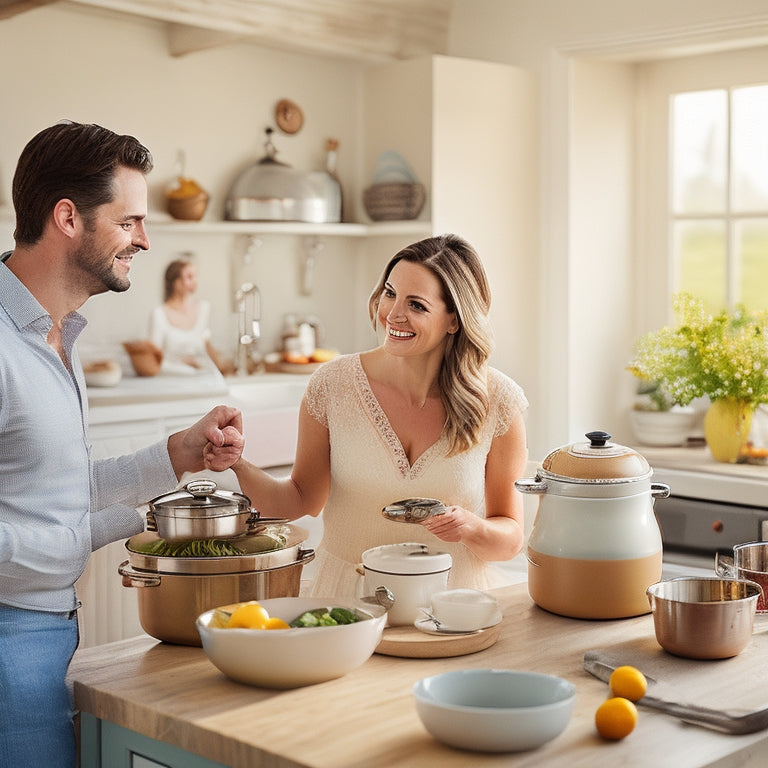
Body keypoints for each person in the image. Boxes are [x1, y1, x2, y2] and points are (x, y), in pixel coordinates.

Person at [0, 121, 245, 768]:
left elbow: (51, 487)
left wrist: (177, 455)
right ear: (67, 218)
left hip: (49, 630)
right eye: (130, 219)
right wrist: (99, 530)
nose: (145, 238)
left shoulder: (56, 335)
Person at [220, 234, 529, 597]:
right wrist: (238, 463)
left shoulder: (498, 400)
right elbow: (300, 498)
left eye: (416, 305)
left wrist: (472, 528)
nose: (393, 314)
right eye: (389, 292)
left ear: (454, 321)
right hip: (348, 600)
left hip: (454, 604)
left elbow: (509, 537)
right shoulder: (332, 385)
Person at [148, 256, 227, 375]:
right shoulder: (158, 314)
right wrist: (182, 366)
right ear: (175, 282)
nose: (195, 281)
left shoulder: (204, 308)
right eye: (189, 277)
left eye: (195, 276)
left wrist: (220, 368)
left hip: (201, 378)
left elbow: (207, 344)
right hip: (171, 379)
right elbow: (153, 360)